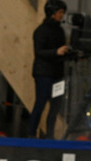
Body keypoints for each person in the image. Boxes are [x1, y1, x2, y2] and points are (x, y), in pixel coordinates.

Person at [29, 0, 69, 139]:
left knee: (55, 107)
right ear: (52, 13)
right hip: (44, 73)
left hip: (57, 73)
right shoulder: (41, 31)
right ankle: (32, 134)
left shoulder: (60, 30)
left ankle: (50, 135)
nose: (62, 15)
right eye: (60, 12)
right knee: (40, 104)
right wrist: (56, 52)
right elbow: (39, 51)